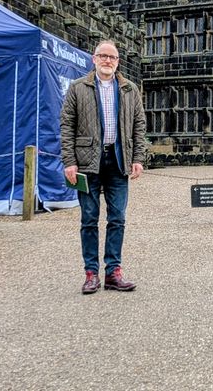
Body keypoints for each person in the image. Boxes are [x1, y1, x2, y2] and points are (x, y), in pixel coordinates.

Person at [60, 39, 147, 294]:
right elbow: (67, 125)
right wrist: (69, 161)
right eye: (103, 56)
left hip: (118, 160)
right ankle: (91, 273)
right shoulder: (78, 87)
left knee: (117, 218)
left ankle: (113, 272)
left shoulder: (130, 89)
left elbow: (139, 125)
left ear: (118, 62)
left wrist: (138, 158)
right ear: (94, 59)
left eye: (112, 57)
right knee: (89, 219)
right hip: (87, 161)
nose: (108, 60)